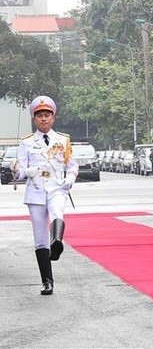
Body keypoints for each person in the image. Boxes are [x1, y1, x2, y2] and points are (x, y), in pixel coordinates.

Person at [13, 96, 79, 295]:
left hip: (57, 186)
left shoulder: (63, 140)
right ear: (34, 119)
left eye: (47, 115)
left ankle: (57, 242)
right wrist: (21, 170)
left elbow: (72, 165)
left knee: (58, 211)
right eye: (39, 115)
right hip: (35, 190)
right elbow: (19, 171)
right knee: (40, 238)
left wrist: (71, 178)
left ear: (53, 117)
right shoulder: (26, 143)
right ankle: (47, 281)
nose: (43, 119)